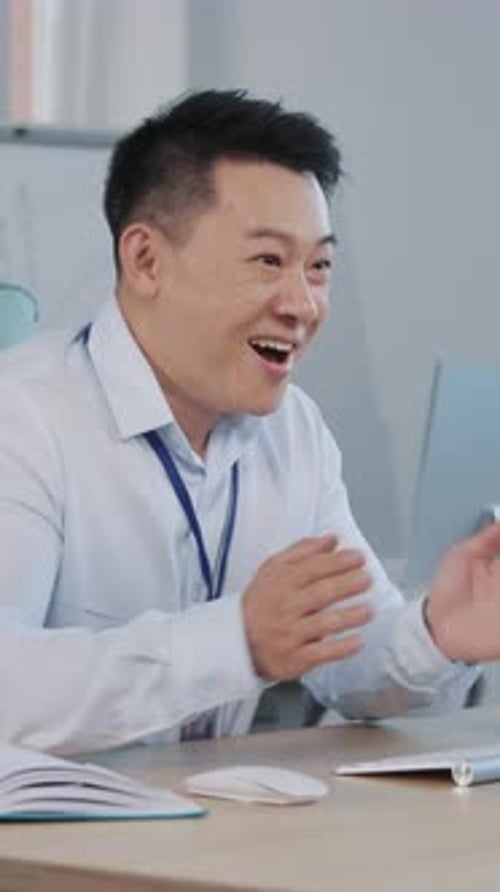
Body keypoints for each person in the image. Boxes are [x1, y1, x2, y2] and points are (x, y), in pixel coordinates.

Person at [0, 89, 499, 756]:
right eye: (268, 261)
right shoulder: (25, 416)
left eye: (318, 266)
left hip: (204, 835)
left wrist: (438, 632)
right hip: (44, 845)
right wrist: (235, 642)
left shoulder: (293, 431)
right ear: (146, 260)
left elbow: (349, 657)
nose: (303, 304)